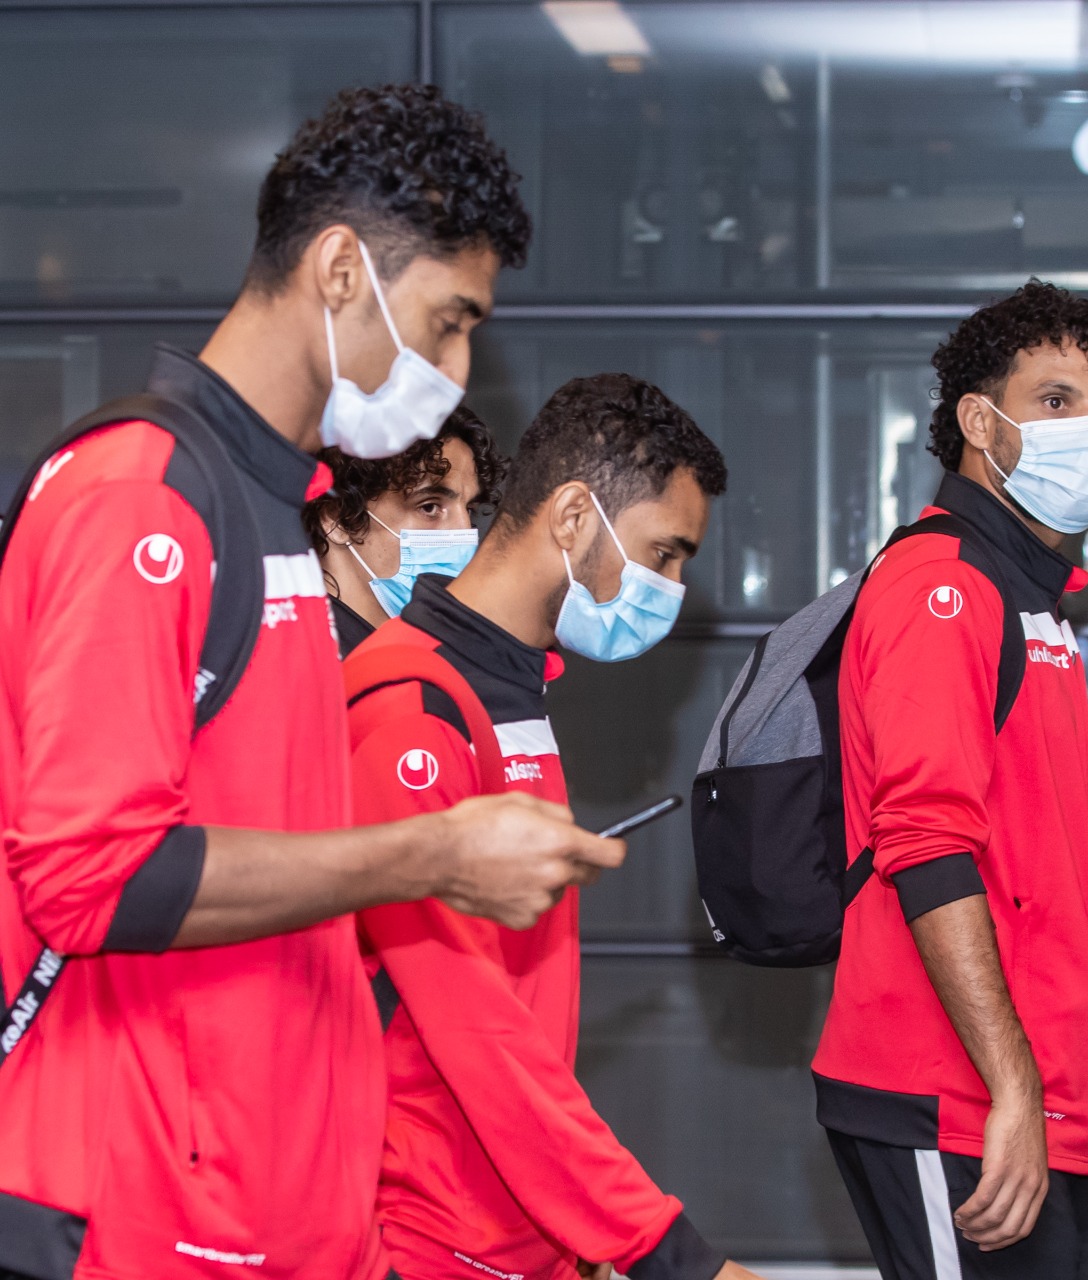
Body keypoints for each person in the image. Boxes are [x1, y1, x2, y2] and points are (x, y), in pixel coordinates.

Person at [0, 84, 623, 1280]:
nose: (457, 365)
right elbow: (92, 873)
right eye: (447, 321)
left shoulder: (273, 508)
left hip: (279, 1211)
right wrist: (430, 853)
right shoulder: (142, 497)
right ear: (340, 270)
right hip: (138, 1217)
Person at [343, 374, 764, 1280]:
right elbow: (473, 1028)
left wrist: (572, 1229)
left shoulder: (514, 689)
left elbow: (523, 1002)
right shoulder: (413, 708)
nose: (671, 588)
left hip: (515, 1223)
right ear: (574, 516)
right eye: (663, 554)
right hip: (425, 1235)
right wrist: (660, 1249)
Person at [811, 280, 1088, 1279]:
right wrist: (1016, 1091)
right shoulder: (940, 586)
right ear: (979, 423)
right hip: (950, 1092)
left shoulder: (1028, 600)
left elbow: (1046, 882)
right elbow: (926, 841)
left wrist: (1077, 1106)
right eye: (1055, 400)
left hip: (1031, 1098)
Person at [306, 403, 507, 656]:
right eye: (430, 507)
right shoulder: (307, 657)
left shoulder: (437, 650)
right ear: (337, 519)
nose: (464, 532)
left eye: (469, 510)